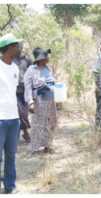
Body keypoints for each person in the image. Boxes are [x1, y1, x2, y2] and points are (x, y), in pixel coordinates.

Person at [0, 33, 23, 194]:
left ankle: (10, 186)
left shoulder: (15, 68)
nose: (19, 48)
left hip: (13, 118)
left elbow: (13, 91)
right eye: (16, 45)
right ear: (9, 48)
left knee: (11, 155)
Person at [24, 48, 57, 154]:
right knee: (38, 124)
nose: (47, 58)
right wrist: (30, 102)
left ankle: (47, 145)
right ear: (40, 58)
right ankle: (34, 148)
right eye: (46, 56)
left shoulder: (48, 68)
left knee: (50, 122)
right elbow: (28, 86)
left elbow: (51, 83)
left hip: (50, 99)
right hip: (39, 100)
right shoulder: (31, 70)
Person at [14, 43, 32, 143]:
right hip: (14, 90)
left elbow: (33, 71)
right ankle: (25, 132)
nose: (19, 49)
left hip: (25, 90)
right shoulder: (10, 59)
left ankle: (24, 131)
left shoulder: (27, 59)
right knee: (19, 112)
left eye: (20, 47)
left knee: (24, 113)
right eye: (17, 47)